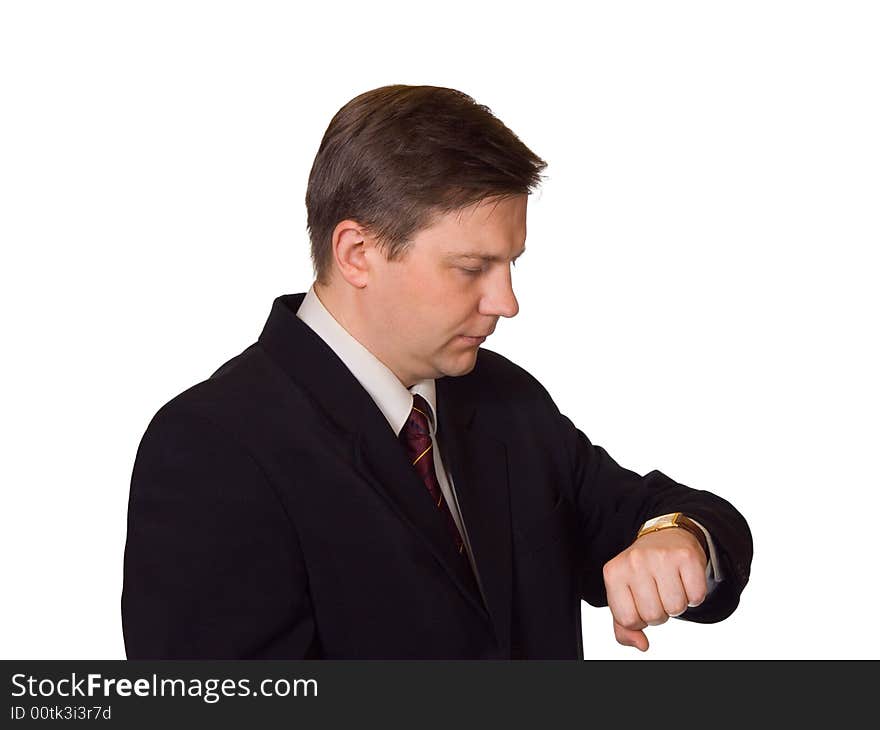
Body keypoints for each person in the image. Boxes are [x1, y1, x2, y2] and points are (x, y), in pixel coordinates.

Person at [121, 84, 752, 659]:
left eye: (511, 263)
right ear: (358, 253)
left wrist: (680, 538)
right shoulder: (212, 447)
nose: (507, 302)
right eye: (472, 267)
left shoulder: (506, 401)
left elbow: (682, 515)